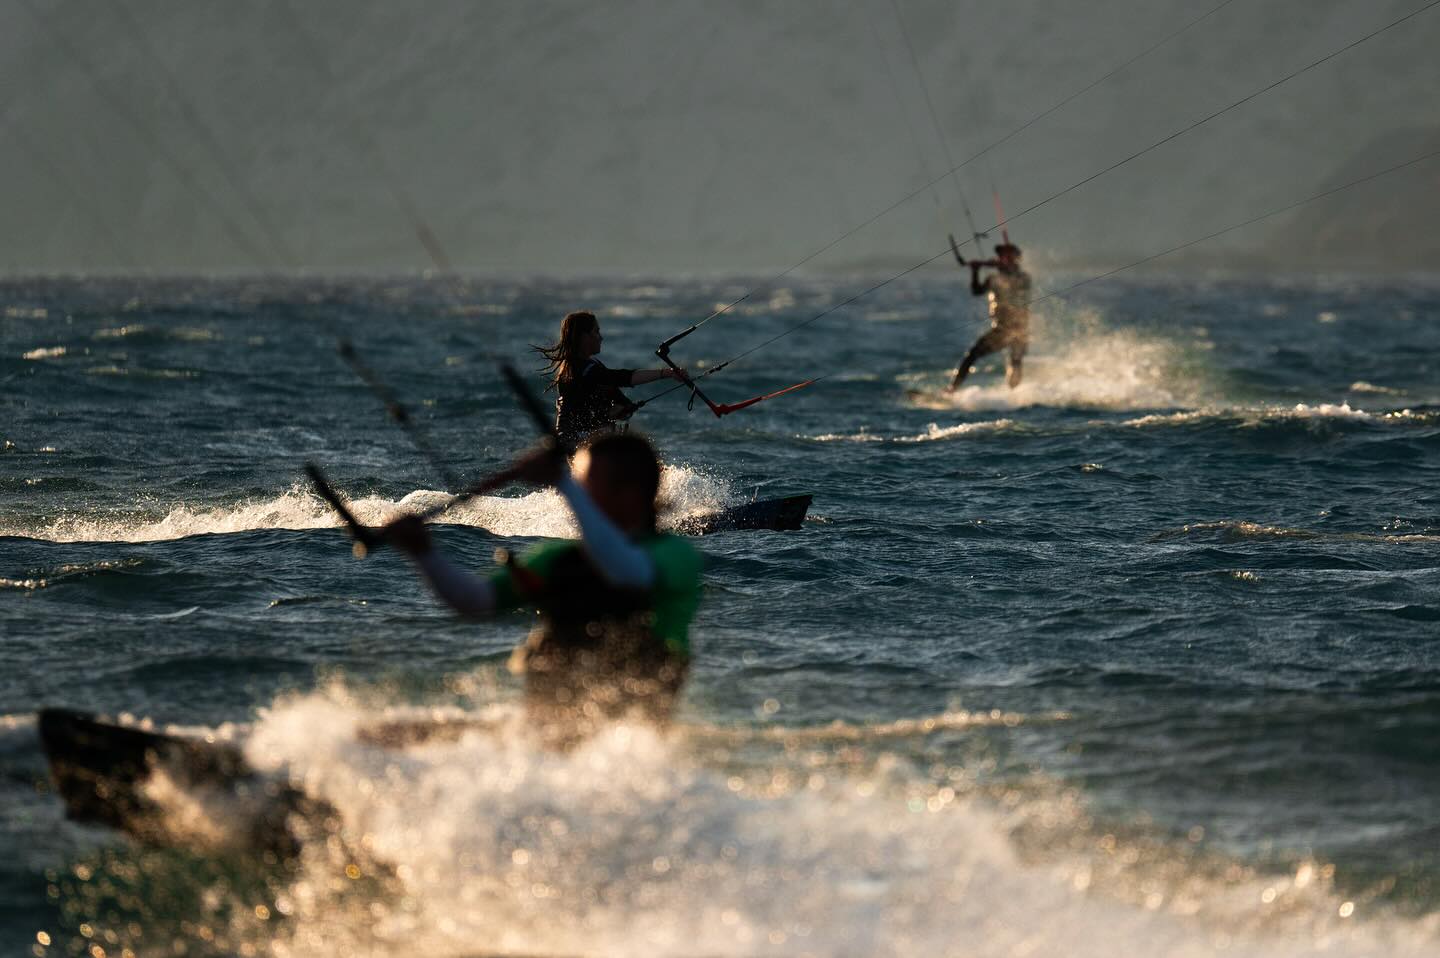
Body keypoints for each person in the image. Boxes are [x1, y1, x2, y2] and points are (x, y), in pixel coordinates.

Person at [383, 432, 702, 745]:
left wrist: (562, 483)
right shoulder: (558, 559)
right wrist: (423, 553)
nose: (576, 494)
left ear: (631, 493)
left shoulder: (673, 555)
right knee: (384, 737)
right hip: (540, 738)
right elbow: (477, 600)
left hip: (625, 747)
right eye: (575, 484)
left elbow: (628, 573)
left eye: (584, 484)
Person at [535, 310, 686, 446]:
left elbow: (613, 392)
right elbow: (622, 378)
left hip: (584, 440)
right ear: (584, 337)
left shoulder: (590, 365)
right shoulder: (582, 371)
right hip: (574, 443)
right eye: (596, 332)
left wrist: (624, 407)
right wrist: (666, 373)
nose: (601, 338)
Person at [948, 242, 1033, 391]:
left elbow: (1015, 282)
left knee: (1015, 361)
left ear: (1015, 259)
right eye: (1000, 255)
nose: (1000, 258)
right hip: (1001, 329)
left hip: (1019, 329)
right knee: (972, 355)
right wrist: (975, 271)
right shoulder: (994, 278)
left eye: (1005, 256)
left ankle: (1015, 395)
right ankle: (952, 390)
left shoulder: (1023, 278)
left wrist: (1003, 267)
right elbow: (977, 291)